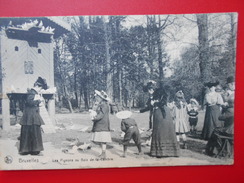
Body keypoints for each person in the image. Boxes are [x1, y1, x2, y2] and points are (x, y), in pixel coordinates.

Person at [19, 77, 48, 155]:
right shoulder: (32, 92)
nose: (40, 91)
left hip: (30, 115)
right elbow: (29, 102)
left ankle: (29, 150)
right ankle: (33, 150)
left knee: (30, 132)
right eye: (40, 89)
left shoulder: (33, 92)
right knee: (34, 132)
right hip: (31, 115)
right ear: (37, 86)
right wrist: (39, 100)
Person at [150, 88, 180, 157]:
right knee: (167, 131)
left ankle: (160, 152)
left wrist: (154, 103)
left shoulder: (158, 100)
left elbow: (160, 103)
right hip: (165, 115)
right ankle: (170, 151)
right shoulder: (163, 99)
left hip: (160, 115)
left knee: (160, 132)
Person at [91, 90, 112, 158]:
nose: (96, 98)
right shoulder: (102, 105)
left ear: (101, 98)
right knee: (102, 139)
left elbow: (101, 115)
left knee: (103, 139)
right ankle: (103, 153)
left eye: (98, 97)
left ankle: (103, 153)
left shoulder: (104, 105)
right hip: (102, 124)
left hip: (102, 124)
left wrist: (94, 118)